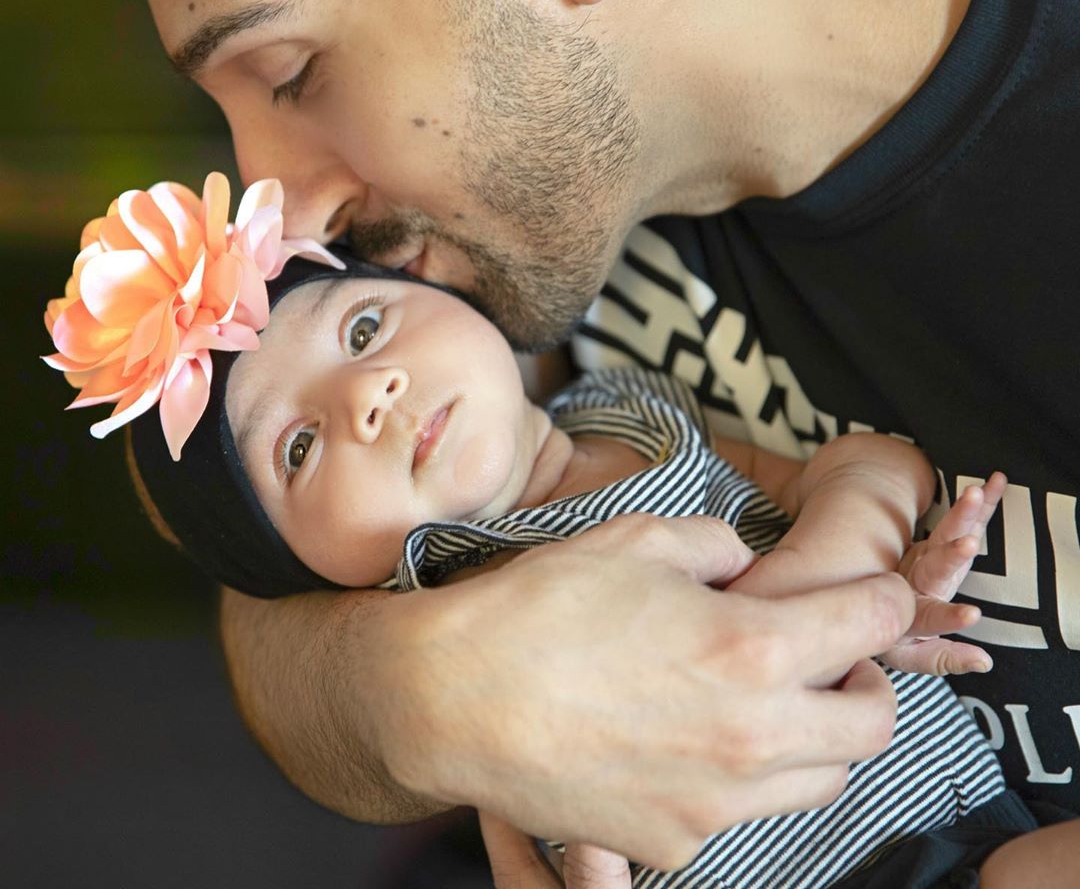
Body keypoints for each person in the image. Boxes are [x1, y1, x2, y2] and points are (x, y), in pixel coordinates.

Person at [74, 0, 1080, 876]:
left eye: (291, 73)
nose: (293, 222)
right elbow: (266, 578)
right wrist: (432, 694)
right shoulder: (502, 234)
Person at [44, 173, 1063, 886]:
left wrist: (831, 568)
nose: (371, 397)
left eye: (363, 330)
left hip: (957, 816)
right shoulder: (455, 600)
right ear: (308, 575)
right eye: (300, 449)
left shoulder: (632, 407)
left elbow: (869, 462)